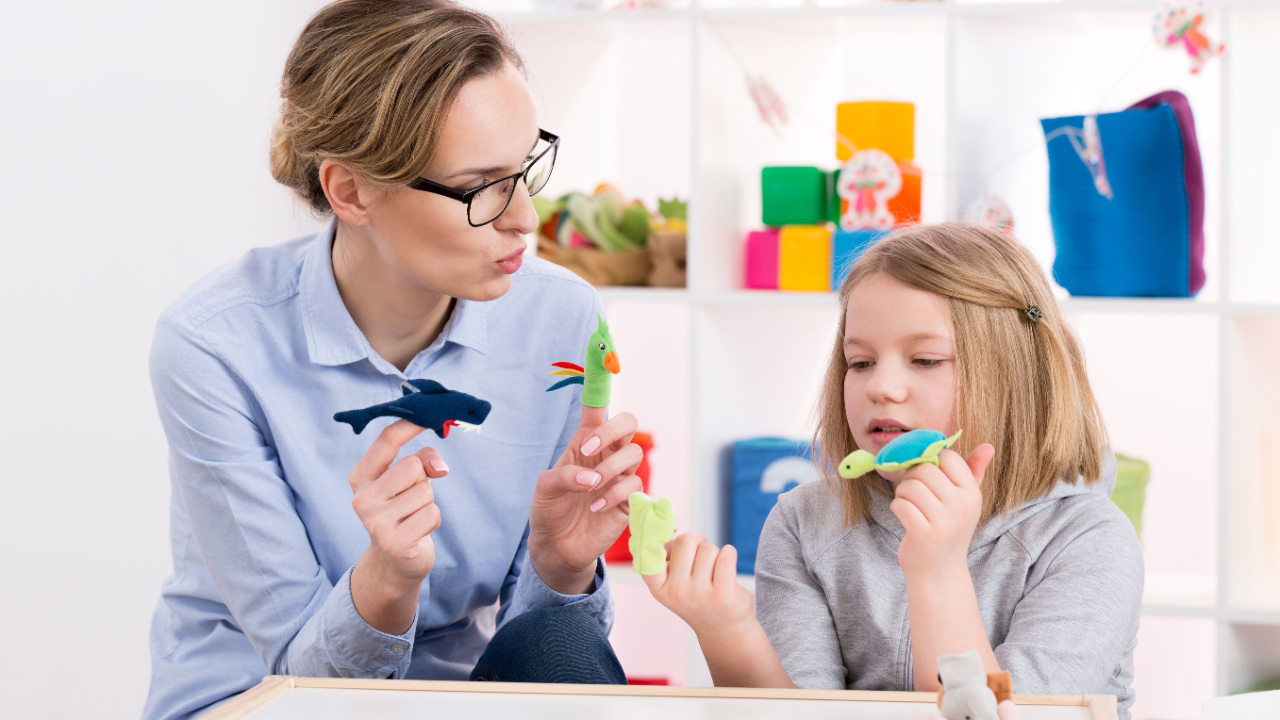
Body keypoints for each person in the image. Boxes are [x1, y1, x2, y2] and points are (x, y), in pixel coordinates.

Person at [142, 2, 642, 718]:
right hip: (262, 700)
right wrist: (385, 582)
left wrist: (561, 566)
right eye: (480, 187)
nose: (525, 219)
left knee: (559, 640)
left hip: (456, 700)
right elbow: (301, 678)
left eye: (525, 167)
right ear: (350, 190)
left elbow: (545, 660)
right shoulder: (214, 345)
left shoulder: (560, 317)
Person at [640, 223, 1144, 719]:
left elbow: (996, 716)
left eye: (924, 360)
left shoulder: (1089, 540)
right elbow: (802, 715)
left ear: (1015, 375)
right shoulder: (803, 523)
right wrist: (729, 632)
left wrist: (938, 569)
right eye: (860, 362)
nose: (880, 386)